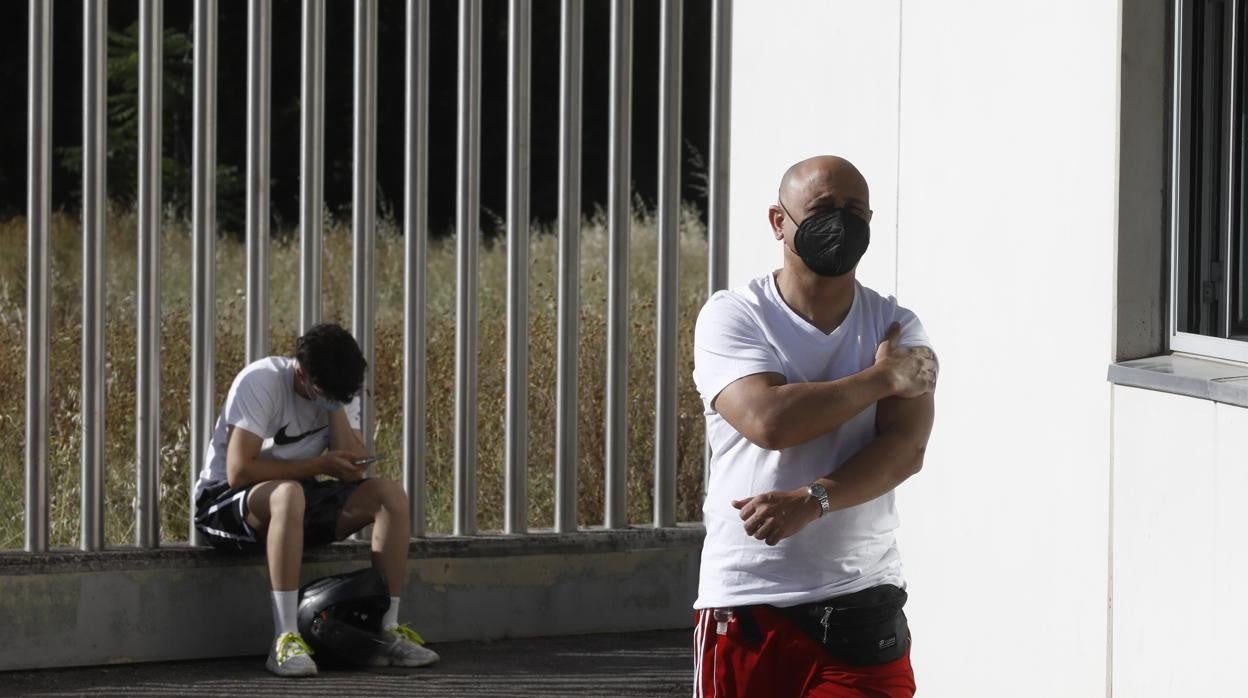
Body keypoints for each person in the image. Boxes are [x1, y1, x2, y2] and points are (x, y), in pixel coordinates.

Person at [691, 155, 938, 697]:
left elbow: (905, 449)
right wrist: (880, 379)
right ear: (780, 221)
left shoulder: (895, 325)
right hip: (750, 600)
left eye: (855, 210)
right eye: (823, 209)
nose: (841, 222)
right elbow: (769, 420)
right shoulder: (733, 315)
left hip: (861, 602)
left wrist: (812, 500)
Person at [193, 322, 439, 677]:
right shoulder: (261, 381)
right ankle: (285, 638)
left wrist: (334, 408)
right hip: (224, 505)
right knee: (289, 494)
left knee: (390, 495)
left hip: (292, 501)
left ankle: (386, 630)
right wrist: (319, 464)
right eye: (329, 393)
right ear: (303, 373)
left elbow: (353, 466)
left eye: (345, 396)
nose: (338, 400)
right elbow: (239, 471)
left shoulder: (336, 393)